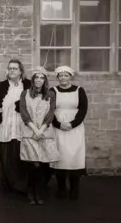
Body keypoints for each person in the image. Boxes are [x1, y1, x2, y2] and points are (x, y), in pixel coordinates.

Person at [19, 66, 59, 205]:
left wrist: (41, 130)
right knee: (33, 164)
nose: (39, 80)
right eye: (37, 77)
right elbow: (24, 113)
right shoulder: (25, 94)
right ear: (33, 79)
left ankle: (39, 191)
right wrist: (34, 130)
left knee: (43, 164)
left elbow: (50, 114)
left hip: (44, 132)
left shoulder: (50, 95)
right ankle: (31, 190)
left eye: (42, 78)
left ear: (45, 80)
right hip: (30, 132)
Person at [0, 59, 31, 194]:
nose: (12, 70)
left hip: (23, 128)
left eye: (15, 68)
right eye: (10, 68)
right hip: (5, 127)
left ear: (21, 71)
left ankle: (23, 186)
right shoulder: (1, 86)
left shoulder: (28, 85)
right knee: (6, 158)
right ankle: (9, 186)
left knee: (22, 158)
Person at [50, 66, 88, 200]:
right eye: (60, 76)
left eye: (66, 75)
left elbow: (83, 109)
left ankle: (74, 189)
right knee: (60, 157)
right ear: (57, 78)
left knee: (74, 157)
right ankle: (61, 188)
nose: (63, 78)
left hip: (75, 129)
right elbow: (49, 110)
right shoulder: (52, 91)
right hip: (58, 128)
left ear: (70, 77)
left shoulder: (79, 90)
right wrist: (58, 124)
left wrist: (72, 124)